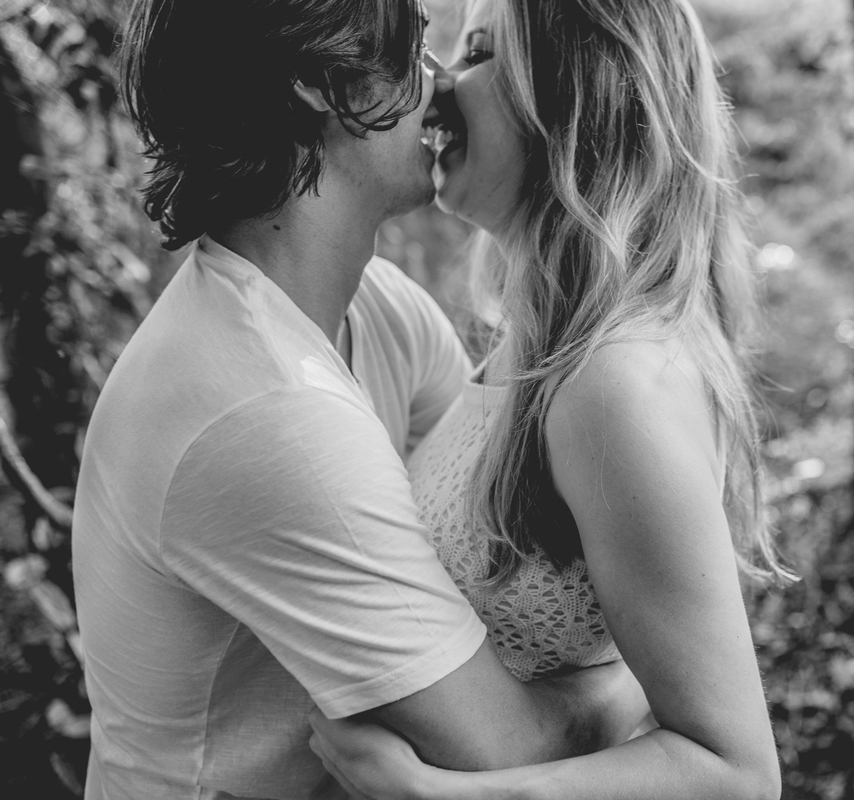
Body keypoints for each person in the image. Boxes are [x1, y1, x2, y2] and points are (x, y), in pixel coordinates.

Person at [71, 1, 648, 798]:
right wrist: (654, 680)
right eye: (413, 48)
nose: (441, 82)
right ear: (316, 79)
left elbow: (483, 546)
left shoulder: (376, 308)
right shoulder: (262, 408)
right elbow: (502, 746)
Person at [308, 0, 794, 798]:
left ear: (579, 93)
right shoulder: (537, 356)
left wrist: (439, 796)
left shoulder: (614, 385)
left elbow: (735, 773)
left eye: (479, 53)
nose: (439, 83)